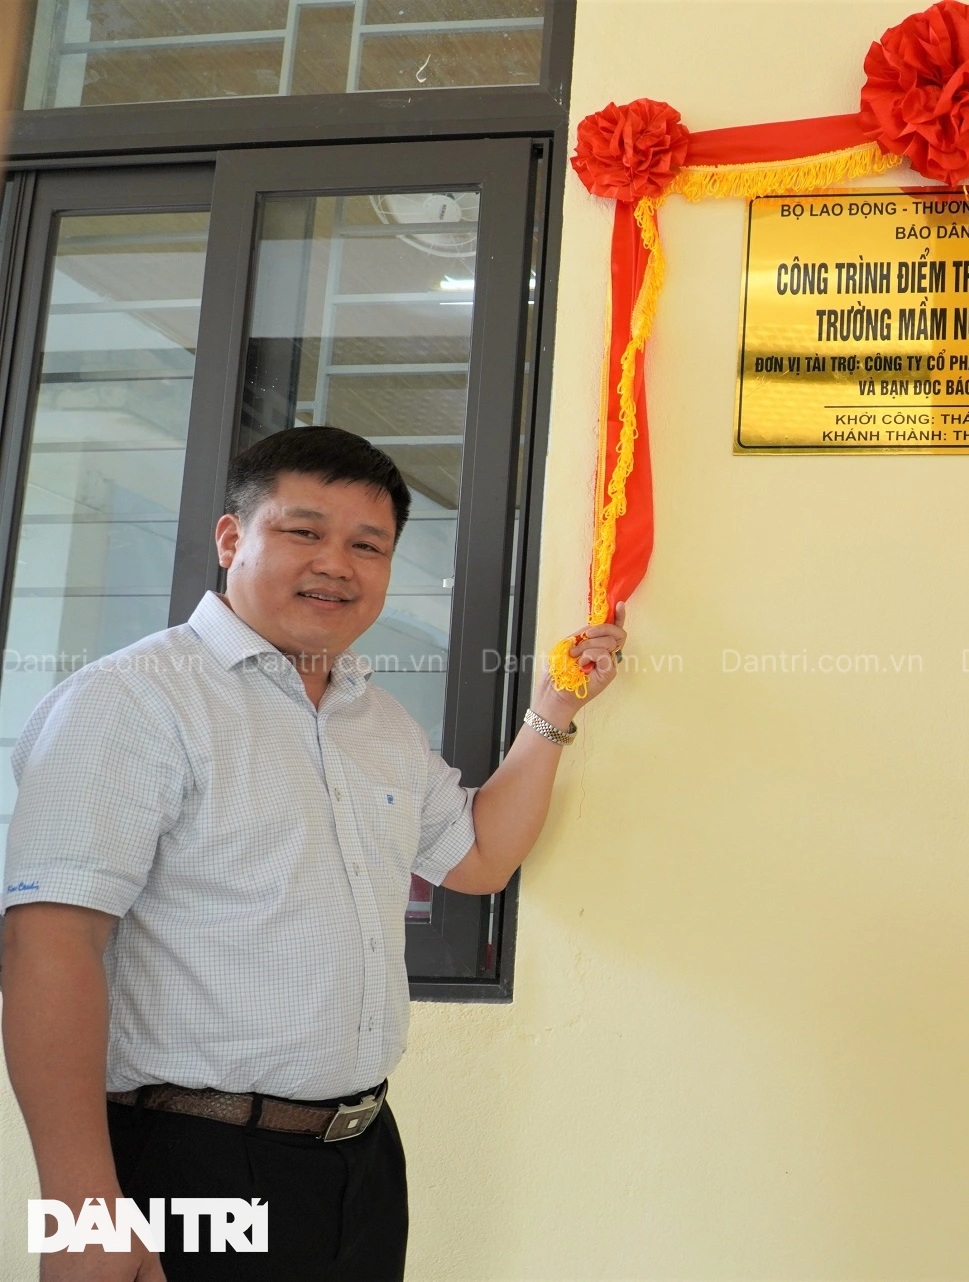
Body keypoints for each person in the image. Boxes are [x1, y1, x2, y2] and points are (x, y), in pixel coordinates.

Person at [1, 425, 627, 1281]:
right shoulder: (131, 703)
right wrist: (80, 1219)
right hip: (193, 1163)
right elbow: (49, 948)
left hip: (360, 1161)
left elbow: (478, 856)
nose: (337, 563)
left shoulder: (378, 722)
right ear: (232, 538)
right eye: (304, 532)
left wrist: (555, 705)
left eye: (367, 545)